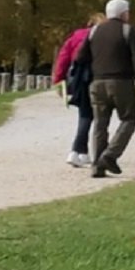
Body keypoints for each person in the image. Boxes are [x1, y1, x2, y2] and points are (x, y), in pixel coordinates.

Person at [73, 0, 135, 177]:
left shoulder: (94, 31)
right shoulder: (127, 30)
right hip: (121, 82)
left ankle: (97, 166)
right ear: (123, 13)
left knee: (100, 124)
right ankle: (109, 155)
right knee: (129, 119)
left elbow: (80, 57)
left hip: (97, 83)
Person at [52, 13, 102, 167]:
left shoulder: (76, 36)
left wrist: (58, 79)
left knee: (84, 114)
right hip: (93, 77)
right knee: (88, 116)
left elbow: (64, 57)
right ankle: (74, 151)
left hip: (78, 79)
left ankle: (83, 153)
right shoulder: (99, 37)